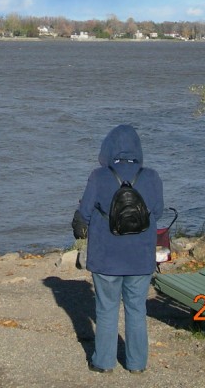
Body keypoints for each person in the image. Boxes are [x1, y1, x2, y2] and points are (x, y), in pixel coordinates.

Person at [76, 124, 163, 374]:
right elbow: (157, 212)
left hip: (106, 256)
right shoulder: (151, 176)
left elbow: (84, 213)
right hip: (139, 256)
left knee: (106, 309)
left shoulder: (99, 176)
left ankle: (104, 362)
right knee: (137, 309)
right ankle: (137, 364)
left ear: (108, 147)